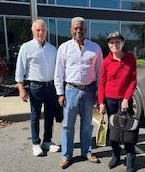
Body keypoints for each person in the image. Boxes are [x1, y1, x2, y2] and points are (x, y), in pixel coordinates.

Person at [54, 16, 103, 169]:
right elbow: (59, 72)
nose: (78, 30)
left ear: (85, 30)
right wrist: (60, 93)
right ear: (71, 30)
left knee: (87, 125)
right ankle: (66, 156)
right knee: (68, 125)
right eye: (75, 28)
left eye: (81, 28)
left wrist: (98, 94)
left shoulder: (95, 48)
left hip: (89, 91)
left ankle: (86, 152)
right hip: (70, 90)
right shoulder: (64, 48)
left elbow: (100, 73)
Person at [15, 19, 60, 157]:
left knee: (49, 115)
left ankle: (47, 141)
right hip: (36, 87)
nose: (41, 33)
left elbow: (58, 70)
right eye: (38, 30)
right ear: (33, 31)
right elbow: (20, 69)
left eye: (43, 30)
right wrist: (21, 88)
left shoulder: (53, 49)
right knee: (35, 116)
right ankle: (35, 143)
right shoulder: (26, 47)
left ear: (46, 31)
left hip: (51, 87)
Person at [98, 31, 138, 172]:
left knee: (128, 132)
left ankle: (130, 158)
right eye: (111, 42)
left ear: (123, 43)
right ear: (108, 45)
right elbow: (101, 83)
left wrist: (126, 99)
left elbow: (133, 81)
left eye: (117, 42)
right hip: (110, 101)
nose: (114, 44)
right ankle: (116, 155)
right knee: (113, 132)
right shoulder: (106, 62)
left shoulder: (130, 58)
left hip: (125, 100)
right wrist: (101, 103)